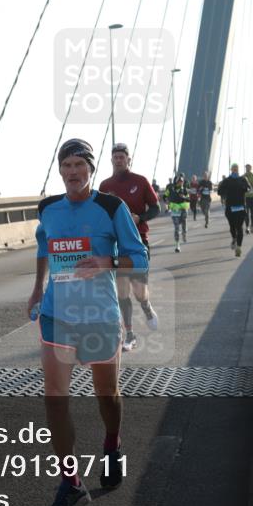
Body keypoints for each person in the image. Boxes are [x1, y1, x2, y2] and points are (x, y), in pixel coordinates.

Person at [26, 139, 148, 506]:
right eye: (67, 165)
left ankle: (112, 445)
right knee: (55, 398)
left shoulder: (111, 207)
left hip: (99, 315)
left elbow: (139, 256)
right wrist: (35, 290)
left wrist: (107, 260)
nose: (73, 171)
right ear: (59, 170)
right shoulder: (47, 209)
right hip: (56, 314)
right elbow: (44, 249)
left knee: (106, 394)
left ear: (91, 170)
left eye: (80, 164)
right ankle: (71, 482)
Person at [98, 142, 160, 352]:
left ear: (128, 160)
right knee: (122, 291)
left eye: (122, 157)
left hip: (138, 242)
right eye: (115, 157)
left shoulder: (140, 181)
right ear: (111, 160)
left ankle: (147, 307)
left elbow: (155, 208)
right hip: (117, 246)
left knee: (139, 291)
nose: (118, 160)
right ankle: (130, 334)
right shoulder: (105, 186)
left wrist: (139, 217)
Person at [216, 163, 249, 257]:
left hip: (241, 207)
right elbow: (219, 191)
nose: (235, 170)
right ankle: (234, 238)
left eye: (236, 168)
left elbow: (249, 188)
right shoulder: (227, 180)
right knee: (232, 227)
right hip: (230, 207)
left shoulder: (243, 179)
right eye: (233, 168)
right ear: (231, 170)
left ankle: (239, 247)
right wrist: (224, 191)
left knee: (240, 228)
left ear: (238, 169)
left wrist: (245, 188)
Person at [163, 174, 190, 252]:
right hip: (175, 211)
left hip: (183, 210)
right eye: (179, 181)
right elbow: (164, 196)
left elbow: (188, 199)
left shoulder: (184, 190)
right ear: (176, 182)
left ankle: (184, 233)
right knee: (177, 228)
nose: (180, 183)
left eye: (181, 181)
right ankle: (177, 245)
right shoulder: (170, 189)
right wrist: (167, 202)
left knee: (184, 225)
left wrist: (184, 197)